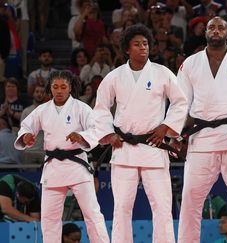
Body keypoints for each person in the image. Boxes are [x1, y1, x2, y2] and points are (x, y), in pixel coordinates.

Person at [92, 24, 188, 243]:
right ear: (127, 49)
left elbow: (180, 102)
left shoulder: (162, 73)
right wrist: (109, 134)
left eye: (145, 43)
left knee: (162, 206)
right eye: (136, 44)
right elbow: (100, 108)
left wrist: (166, 126)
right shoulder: (115, 77)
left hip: (153, 147)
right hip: (124, 148)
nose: (142, 47)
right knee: (122, 207)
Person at [175, 16, 227, 243]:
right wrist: (175, 136)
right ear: (205, 32)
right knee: (190, 199)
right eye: (211, 27)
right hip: (202, 137)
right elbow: (181, 103)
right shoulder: (190, 64)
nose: (216, 31)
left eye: (221, 27)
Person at [14, 70, 109, 242]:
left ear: (70, 87)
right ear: (50, 88)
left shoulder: (82, 108)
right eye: (55, 87)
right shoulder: (42, 110)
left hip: (77, 166)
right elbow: (26, 126)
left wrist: (81, 137)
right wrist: (26, 136)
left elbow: (96, 130)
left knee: (92, 213)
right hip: (53, 167)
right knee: (50, 219)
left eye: (63, 87)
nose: (59, 90)